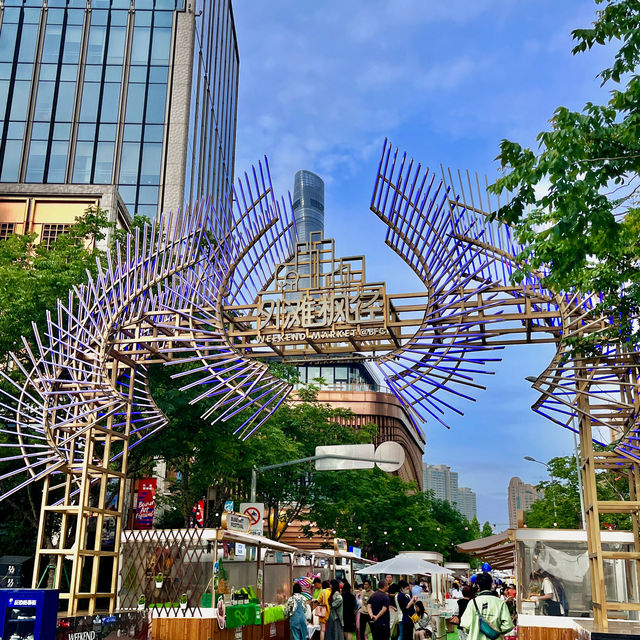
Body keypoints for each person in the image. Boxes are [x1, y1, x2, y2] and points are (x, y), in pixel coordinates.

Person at [460, 573, 514, 640]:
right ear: (491, 585)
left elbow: (465, 625)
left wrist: (474, 629)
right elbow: (508, 625)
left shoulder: (472, 603)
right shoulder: (500, 603)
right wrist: (496, 631)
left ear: (478, 586)